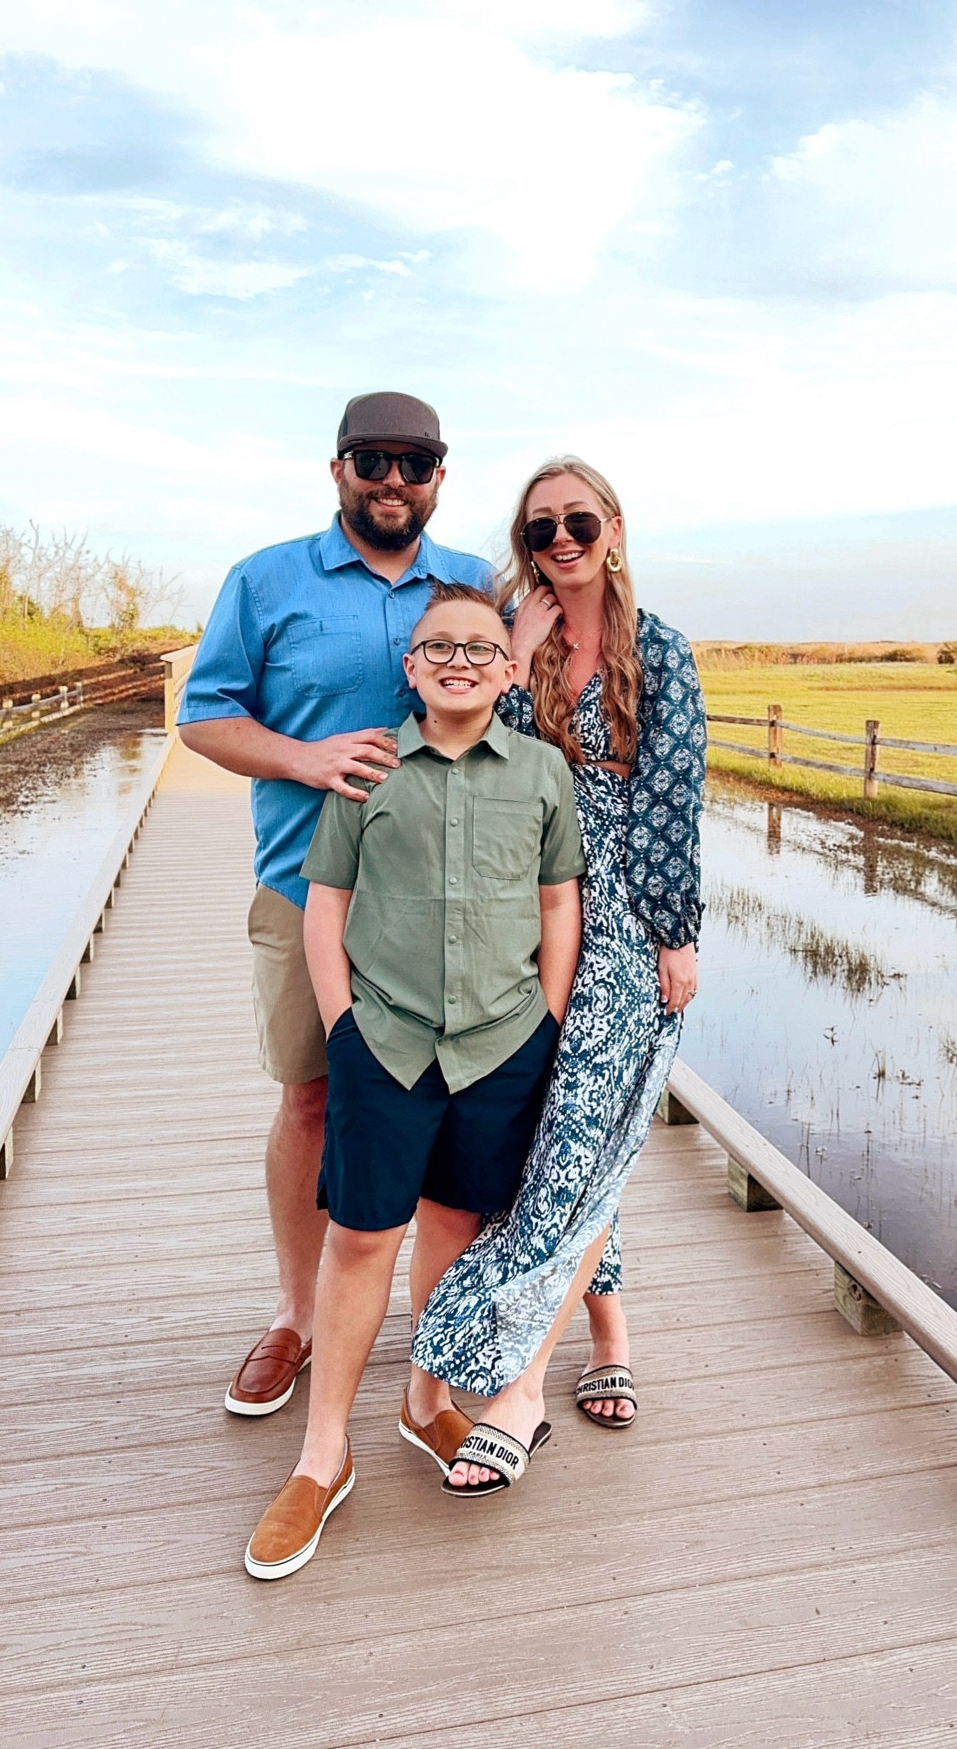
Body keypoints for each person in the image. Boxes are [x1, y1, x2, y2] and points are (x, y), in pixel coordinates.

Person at [243, 583, 585, 1578]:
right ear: (411, 664)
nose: (460, 662)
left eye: (482, 648)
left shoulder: (540, 774)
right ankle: (321, 1455)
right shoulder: (366, 768)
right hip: (385, 1041)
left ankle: (426, 1399)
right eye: (440, 646)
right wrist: (344, 1025)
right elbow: (324, 905)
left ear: (509, 668)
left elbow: (556, 900)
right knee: (360, 1238)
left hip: (500, 1041)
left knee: (453, 1227)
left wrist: (549, 1024)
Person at [176, 393, 491, 1421]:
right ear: (338, 468)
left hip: (450, 906)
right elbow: (206, 716)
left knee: (451, 1110)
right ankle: (296, 1316)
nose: (392, 479)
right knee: (310, 1099)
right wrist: (303, 758)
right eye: (372, 459)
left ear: (440, 475)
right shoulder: (265, 578)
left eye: (415, 461)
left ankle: (435, 1343)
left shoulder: (476, 584)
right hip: (301, 888)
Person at [411, 456, 705, 1493]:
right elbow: (457, 748)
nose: (562, 539)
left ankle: (518, 1385)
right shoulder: (505, 629)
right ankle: (609, 1325)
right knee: (553, 1123)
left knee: (591, 1115)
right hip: (523, 892)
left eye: (579, 520)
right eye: (540, 527)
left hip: (622, 905)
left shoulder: (658, 648)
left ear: (615, 527)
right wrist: (515, 651)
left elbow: (674, 798)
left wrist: (674, 932)